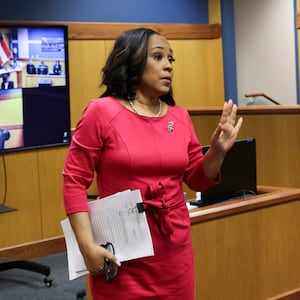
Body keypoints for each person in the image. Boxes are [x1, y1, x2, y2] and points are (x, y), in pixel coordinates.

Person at [62, 27, 243, 299]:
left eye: (171, 59)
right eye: (158, 57)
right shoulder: (101, 112)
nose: (168, 65)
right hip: (124, 254)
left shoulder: (180, 116)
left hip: (174, 253)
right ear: (131, 60)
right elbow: (74, 181)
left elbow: (196, 179)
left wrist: (217, 151)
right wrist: (86, 246)